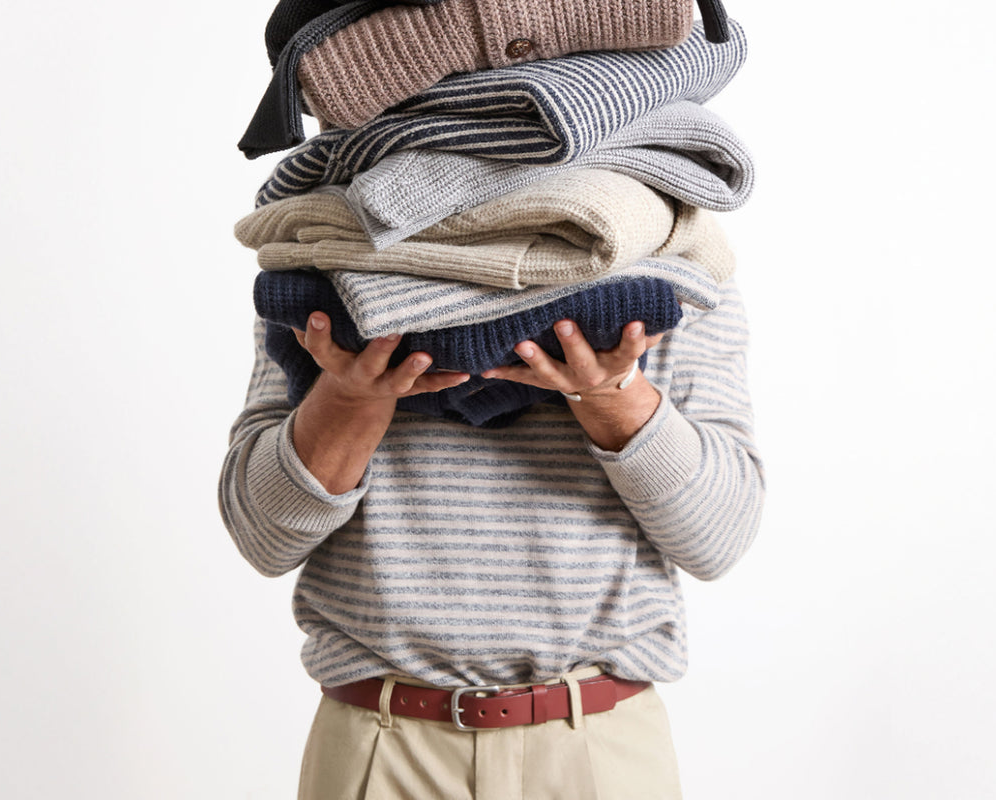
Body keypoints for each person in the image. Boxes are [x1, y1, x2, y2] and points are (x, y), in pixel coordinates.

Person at [219, 280, 764, 799]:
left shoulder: (669, 268)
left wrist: (611, 394)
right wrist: (347, 400)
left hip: (597, 750)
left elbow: (717, 538)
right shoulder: (331, 272)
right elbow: (262, 538)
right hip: (381, 748)